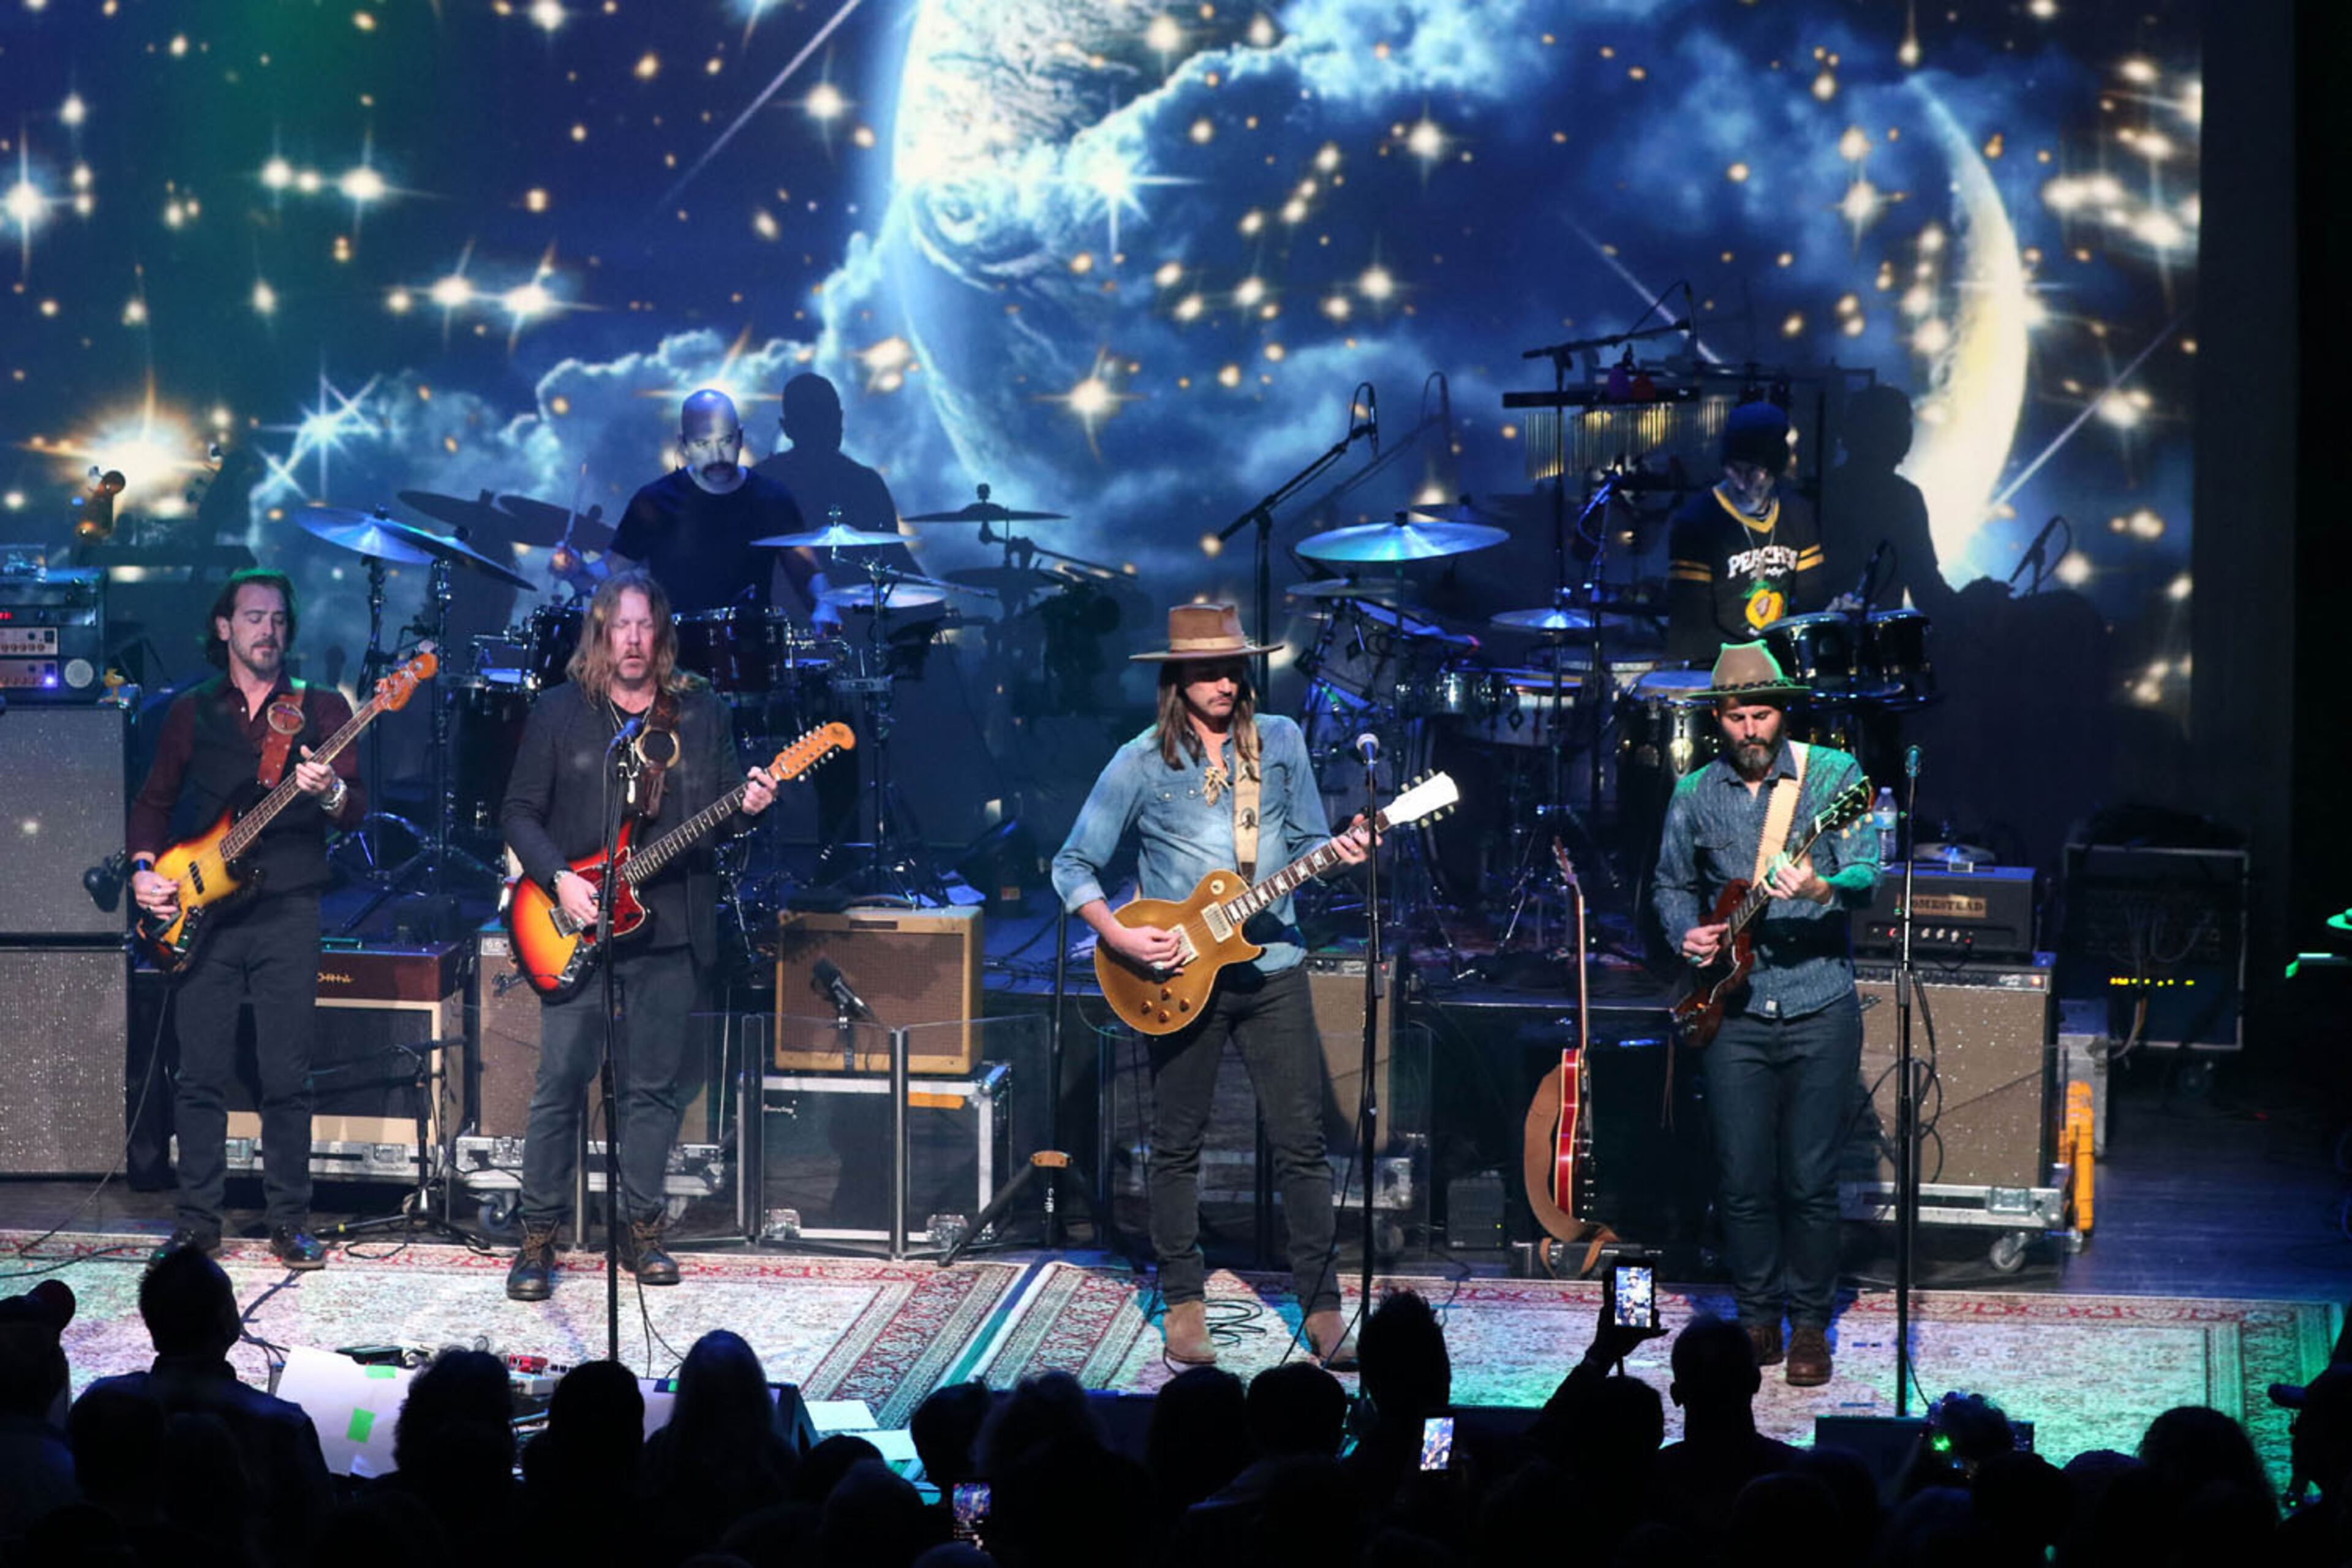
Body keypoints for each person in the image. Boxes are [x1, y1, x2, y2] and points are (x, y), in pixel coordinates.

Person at [1051, 603, 1367, 1368]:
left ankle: (1322, 1307)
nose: (1224, 682)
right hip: (1176, 976)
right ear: (1177, 678)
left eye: (1234, 668)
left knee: (1303, 1145)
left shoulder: (1282, 741)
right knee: (1176, 1146)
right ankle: (1184, 1301)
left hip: (1275, 967)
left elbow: (1309, 840)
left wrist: (1345, 850)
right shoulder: (1140, 760)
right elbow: (1071, 864)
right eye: (1207, 670)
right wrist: (1123, 934)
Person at [499, 570, 777, 1300]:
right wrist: (560, 877)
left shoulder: (700, 712)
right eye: (618, 625)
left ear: (661, 634)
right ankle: (536, 1237)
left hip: (671, 926)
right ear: (599, 633)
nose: (631, 638)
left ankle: (642, 1227)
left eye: (643, 625)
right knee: (560, 1081)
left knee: (653, 1089)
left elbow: (723, 811)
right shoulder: (561, 712)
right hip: (573, 924)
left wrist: (749, 805)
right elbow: (519, 813)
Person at [1653, 641, 1879, 1385]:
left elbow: (1866, 871)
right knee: (1742, 1176)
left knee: (1809, 1179)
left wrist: (1818, 887)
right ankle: (1758, 1318)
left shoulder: (1834, 778)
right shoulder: (1694, 793)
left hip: (1819, 1001)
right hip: (1733, 1007)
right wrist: (1686, 930)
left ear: (1783, 713)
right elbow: (1670, 885)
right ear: (1719, 719)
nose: (1751, 728)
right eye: (1737, 716)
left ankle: (1810, 1324)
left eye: (1762, 713)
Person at [128, 568, 363, 1268]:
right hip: (203, 910)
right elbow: (153, 803)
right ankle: (198, 1219)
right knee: (198, 1073)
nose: (269, 630)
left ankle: (288, 1218)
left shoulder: (320, 708)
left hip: (289, 903)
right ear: (225, 628)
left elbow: (351, 809)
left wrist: (328, 792)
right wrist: (146, 870)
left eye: (279, 619)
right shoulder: (189, 710)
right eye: (255, 617)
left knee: (285, 1072)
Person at [78, 1246, 334, 1564]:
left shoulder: (102, 1404)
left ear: (152, 1327)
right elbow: (321, 1538)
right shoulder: (281, 1424)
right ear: (228, 1321)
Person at [608, 388, 815, 618]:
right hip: (672, 647)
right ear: (684, 444)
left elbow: (808, 574)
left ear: (740, 438)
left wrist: (826, 606)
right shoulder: (654, 501)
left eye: (726, 441)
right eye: (703, 444)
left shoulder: (772, 498)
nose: (717, 456)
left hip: (753, 646)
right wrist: (573, 568)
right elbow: (609, 572)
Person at [1665, 400, 1830, 663]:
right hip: (1718, 669)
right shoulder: (1696, 522)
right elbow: (1692, 628)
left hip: (1780, 665)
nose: (1742, 484)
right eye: (1734, 469)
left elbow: (1812, 602)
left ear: (1774, 469)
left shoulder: (1798, 514)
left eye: (1753, 471)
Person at [752, 371, 913, 617]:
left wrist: (929, 599)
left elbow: (893, 559)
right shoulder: (763, 485)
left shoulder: (867, 483)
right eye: (810, 420)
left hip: (862, 625)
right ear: (788, 428)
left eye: (825, 417)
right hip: (786, 630)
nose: (821, 428)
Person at [1819, 382, 1957, 622]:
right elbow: (1927, 590)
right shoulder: (1903, 499)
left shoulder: (1820, 492)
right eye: (1898, 427)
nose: (1905, 435)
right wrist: (1977, 605)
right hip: (1876, 646)